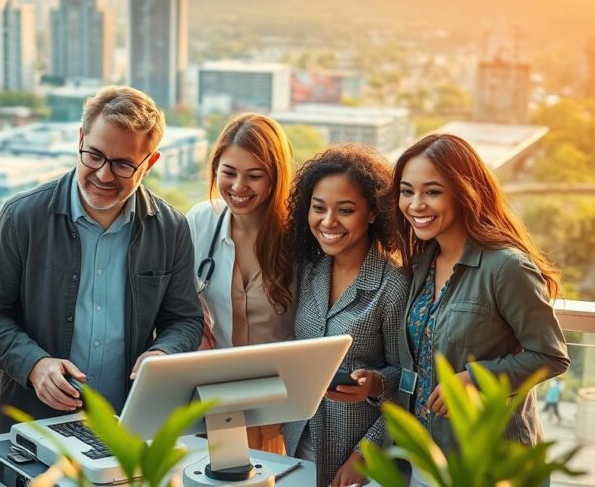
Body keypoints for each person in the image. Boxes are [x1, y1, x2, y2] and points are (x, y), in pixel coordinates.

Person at [0, 85, 203, 432]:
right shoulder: (22, 217)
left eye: (123, 164)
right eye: (93, 155)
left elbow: (185, 320)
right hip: (33, 427)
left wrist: (163, 354)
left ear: (149, 163)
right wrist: (34, 364)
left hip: (128, 428)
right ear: (79, 139)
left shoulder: (171, 229)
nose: (104, 175)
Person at [391, 134, 570, 483]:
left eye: (432, 191)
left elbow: (551, 356)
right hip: (426, 457)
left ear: (464, 192)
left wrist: (474, 379)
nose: (415, 204)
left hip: (491, 462)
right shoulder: (420, 264)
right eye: (407, 191)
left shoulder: (506, 267)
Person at [280, 144, 408, 487]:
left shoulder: (393, 284)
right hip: (298, 444)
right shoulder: (308, 270)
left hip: (359, 458)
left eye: (345, 210)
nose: (328, 222)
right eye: (318, 208)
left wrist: (364, 456)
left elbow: (409, 381)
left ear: (371, 213)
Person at [185, 113, 295, 454]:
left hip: (282, 405)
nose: (237, 187)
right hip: (214, 402)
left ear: (275, 178)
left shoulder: (299, 237)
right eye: (228, 173)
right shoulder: (200, 221)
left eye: (254, 176)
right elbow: (179, 304)